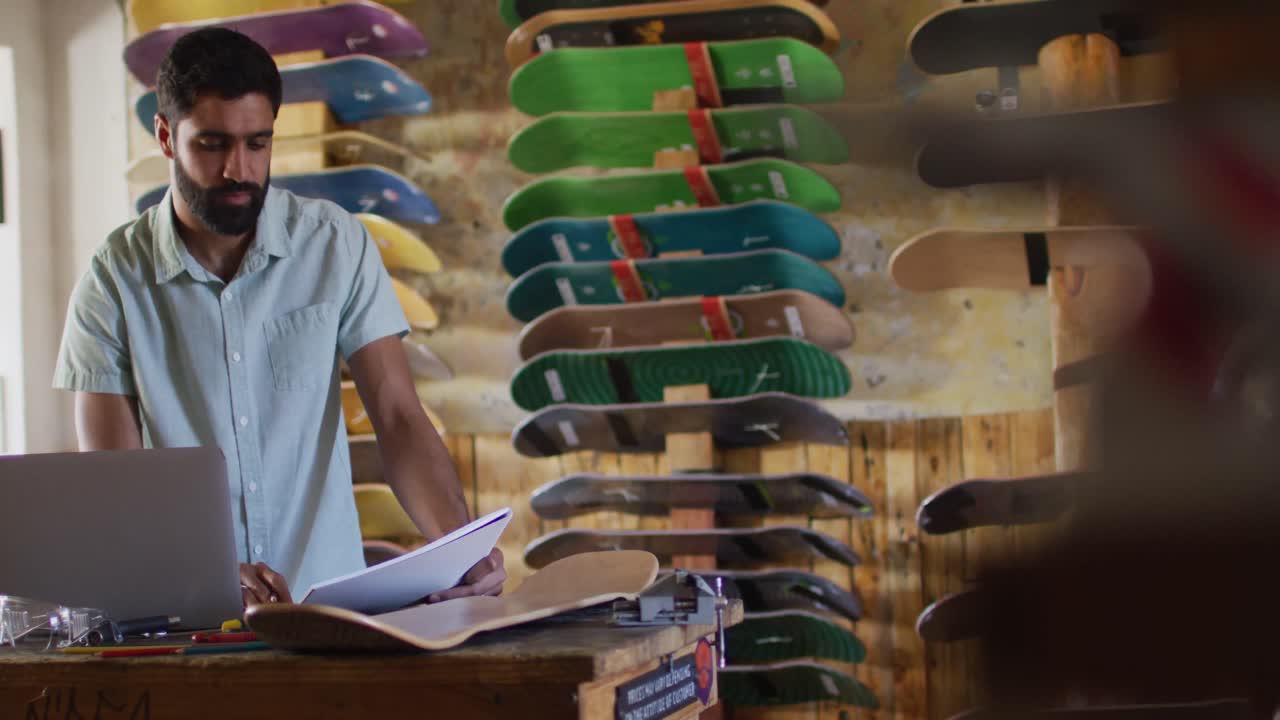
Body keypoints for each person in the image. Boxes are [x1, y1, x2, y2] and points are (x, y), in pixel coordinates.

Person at [52, 28, 504, 608]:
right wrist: (207, 573)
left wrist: (456, 548)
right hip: (189, 620)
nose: (239, 169)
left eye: (257, 144)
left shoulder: (335, 244)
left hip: (332, 611)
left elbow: (397, 415)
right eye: (212, 145)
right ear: (167, 137)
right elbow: (117, 487)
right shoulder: (113, 278)